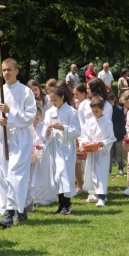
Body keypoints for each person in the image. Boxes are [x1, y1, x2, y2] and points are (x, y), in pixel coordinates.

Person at [0, 58, 36, 227]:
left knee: (16, 174)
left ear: (16, 71)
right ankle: (21, 209)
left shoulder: (25, 92)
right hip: (5, 138)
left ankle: (9, 212)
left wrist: (11, 114)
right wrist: (0, 123)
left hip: (21, 138)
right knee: (5, 174)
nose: (6, 73)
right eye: (3, 70)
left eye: (9, 70)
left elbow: (30, 115)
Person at [43, 86, 81, 215]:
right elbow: (44, 130)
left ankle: (67, 203)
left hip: (66, 148)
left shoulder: (71, 111)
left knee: (65, 175)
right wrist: (47, 130)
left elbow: (77, 131)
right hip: (54, 147)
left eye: (56, 100)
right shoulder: (49, 112)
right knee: (57, 176)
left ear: (62, 97)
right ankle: (60, 204)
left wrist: (64, 128)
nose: (53, 103)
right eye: (51, 100)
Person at [79, 96, 116, 207]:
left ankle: (102, 197)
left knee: (101, 173)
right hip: (92, 152)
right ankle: (94, 193)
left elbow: (111, 137)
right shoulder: (89, 122)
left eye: (97, 111)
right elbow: (83, 135)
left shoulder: (107, 122)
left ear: (102, 109)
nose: (95, 113)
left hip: (102, 153)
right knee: (92, 172)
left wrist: (103, 143)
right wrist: (85, 142)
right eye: (93, 111)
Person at [29, 107, 57, 206]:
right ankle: (34, 197)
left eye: (37, 119)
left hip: (43, 157)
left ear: (41, 116)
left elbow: (48, 141)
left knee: (43, 177)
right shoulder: (29, 127)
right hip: (33, 157)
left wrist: (42, 146)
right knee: (33, 178)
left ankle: (45, 197)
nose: (35, 122)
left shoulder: (44, 127)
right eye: (33, 119)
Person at [107, 92, 125, 176]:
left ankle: (120, 168)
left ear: (114, 100)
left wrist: (123, 134)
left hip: (118, 134)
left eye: (110, 102)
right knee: (109, 154)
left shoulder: (119, 109)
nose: (109, 104)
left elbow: (122, 122)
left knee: (118, 153)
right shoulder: (105, 109)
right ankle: (109, 170)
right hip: (109, 135)